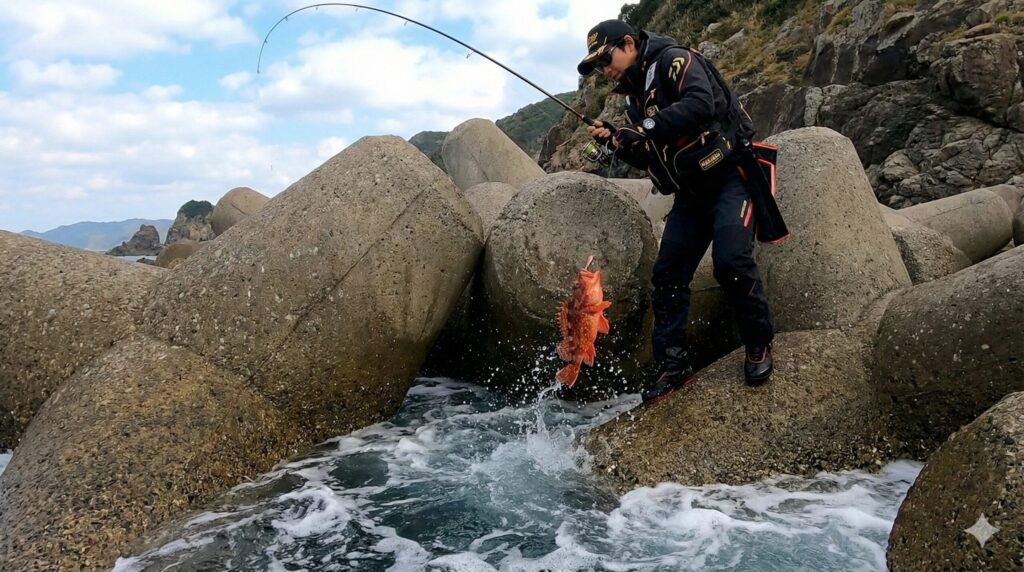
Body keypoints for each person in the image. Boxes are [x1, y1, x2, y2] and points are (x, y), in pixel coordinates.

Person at [577, 19, 783, 402]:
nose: (604, 69)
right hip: (690, 194)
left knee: (731, 262)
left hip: (731, 177)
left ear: (628, 43)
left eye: (605, 58)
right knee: (667, 276)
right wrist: (619, 141)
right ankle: (672, 366)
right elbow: (651, 155)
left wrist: (644, 127)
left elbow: (701, 103)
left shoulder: (674, 60)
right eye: (597, 65)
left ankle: (758, 342)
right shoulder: (633, 99)